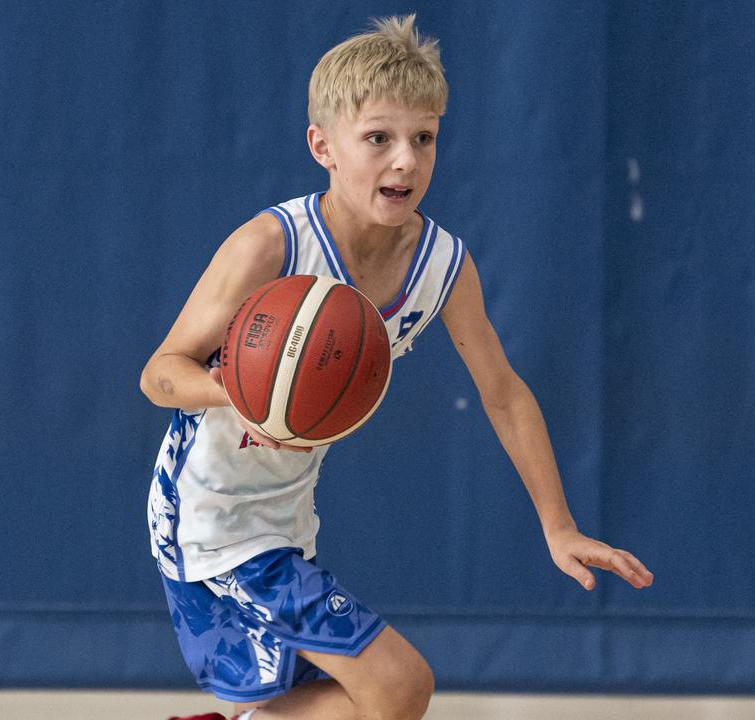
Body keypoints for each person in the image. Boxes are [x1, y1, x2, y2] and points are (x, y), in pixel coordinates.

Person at [139, 15, 653, 720]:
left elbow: (503, 394)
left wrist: (558, 526)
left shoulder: (443, 264)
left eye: (423, 138)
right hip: (208, 516)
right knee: (399, 684)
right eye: (378, 138)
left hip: (287, 517)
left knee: (355, 704)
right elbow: (161, 372)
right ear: (323, 146)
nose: (405, 161)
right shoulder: (271, 245)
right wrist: (242, 394)